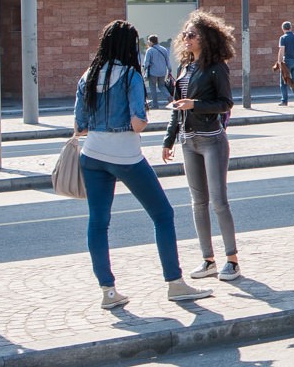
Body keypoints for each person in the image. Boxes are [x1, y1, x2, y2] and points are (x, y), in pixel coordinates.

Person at [75, 20, 212, 309]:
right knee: (163, 214)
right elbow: (138, 123)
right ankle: (175, 284)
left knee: (98, 223)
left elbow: (80, 126)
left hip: (92, 156)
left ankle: (108, 291)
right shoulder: (130, 76)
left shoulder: (87, 76)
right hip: (125, 156)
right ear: (129, 46)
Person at [162, 11, 241, 283]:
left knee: (219, 201)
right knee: (198, 203)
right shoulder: (185, 67)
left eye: (192, 35)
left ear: (205, 39)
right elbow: (177, 108)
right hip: (188, 140)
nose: (186, 38)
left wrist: (195, 105)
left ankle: (232, 260)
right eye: (185, 33)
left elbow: (226, 103)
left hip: (211, 139)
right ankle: (208, 259)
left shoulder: (216, 67)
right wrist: (168, 140)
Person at [142, 35, 172, 107]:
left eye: (148, 41)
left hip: (153, 72)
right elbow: (167, 60)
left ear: (151, 42)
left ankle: (155, 104)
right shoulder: (163, 49)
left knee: (152, 87)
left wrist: (144, 69)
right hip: (162, 72)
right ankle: (169, 97)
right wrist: (169, 70)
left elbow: (146, 62)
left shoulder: (150, 50)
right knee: (161, 86)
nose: (148, 42)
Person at [279, 21, 294, 106]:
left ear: (283, 29)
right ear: (291, 28)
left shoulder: (283, 38)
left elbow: (281, 50)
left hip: (287, 61)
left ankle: (284, 101)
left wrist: (279, 62)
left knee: (283, 82)